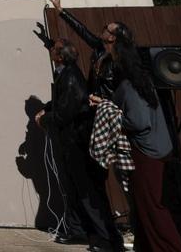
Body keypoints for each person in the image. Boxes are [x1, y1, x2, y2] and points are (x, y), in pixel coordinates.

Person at [92, 36, 181, 252]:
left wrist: (110, 115)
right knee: (145, 207)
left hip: (146, 152)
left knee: (151, 207)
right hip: (157, 149)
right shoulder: (145, 80)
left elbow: (138, 121)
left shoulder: (130, 86)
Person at [37, 38, 125, 251]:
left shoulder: (70, 77)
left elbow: (66, 112)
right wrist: (47, 109)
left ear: (60, 56)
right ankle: (79, 230)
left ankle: (108, 239)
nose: (50, 51)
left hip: (77, 142)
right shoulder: (66, 74)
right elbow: (63, 102)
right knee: (74, 188)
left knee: (88, 192)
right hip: (70, 143)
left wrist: (45, 119)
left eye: (54, 49)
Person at [49, 0, 130, 99]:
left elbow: (121, 92)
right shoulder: (100, 48)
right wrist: (60, 10)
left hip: (105, 108)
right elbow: (81, 30)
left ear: (112, 38)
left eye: (106, 28)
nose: (103, 29)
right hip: (91, 103)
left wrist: (102, 102)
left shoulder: (119, 62)